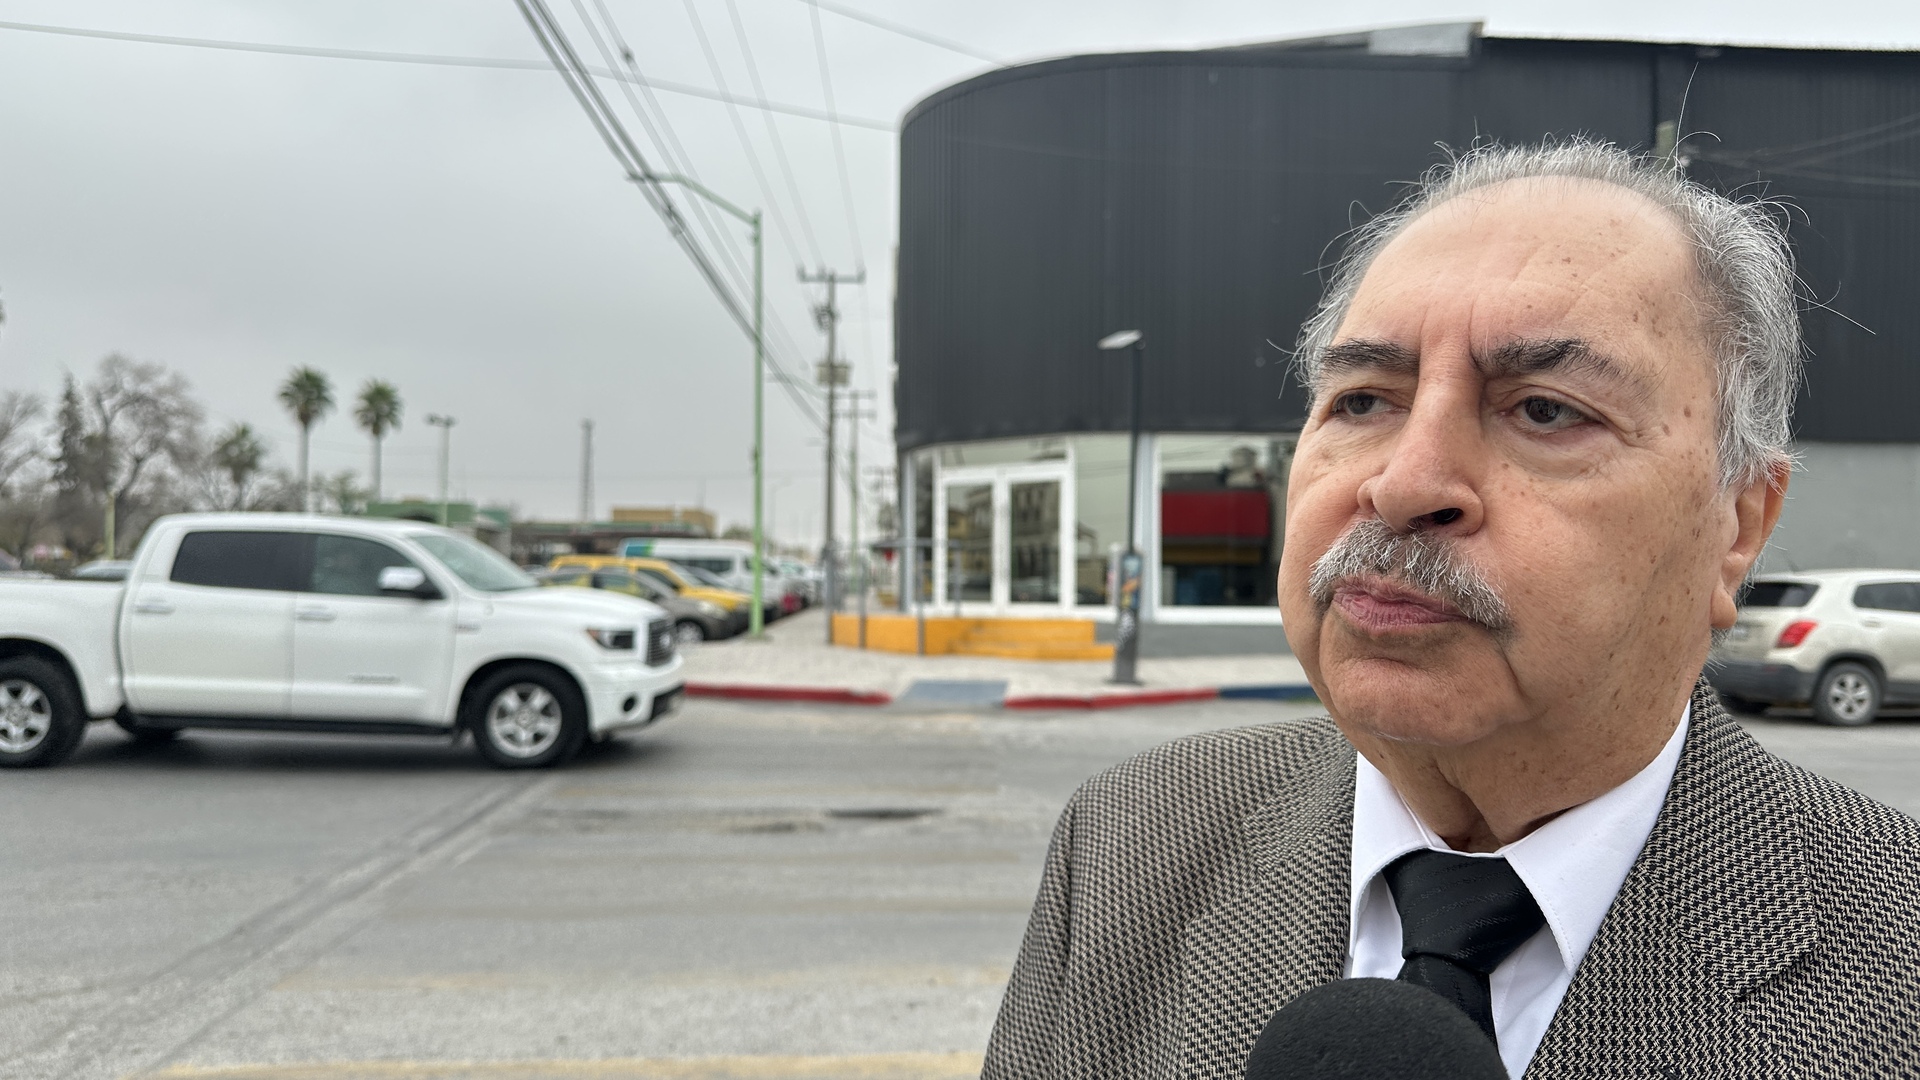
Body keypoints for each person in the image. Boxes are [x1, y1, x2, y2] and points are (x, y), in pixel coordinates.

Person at [980, 140, 1920, 1079]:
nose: (1403, 484)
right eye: (1362, 402)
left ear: (1738, 523)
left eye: (1545, 410)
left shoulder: (1893, 955)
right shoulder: (1128, 839)